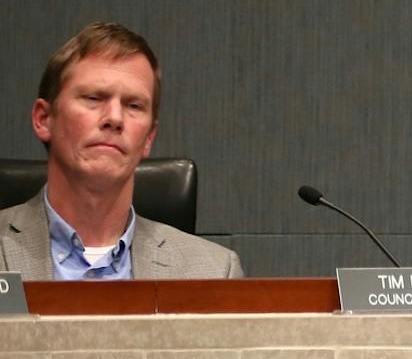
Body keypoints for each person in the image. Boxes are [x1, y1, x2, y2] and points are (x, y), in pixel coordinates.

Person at [0, 22, 242, 280]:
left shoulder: (214, 272)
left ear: (149, 137)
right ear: (44, 119)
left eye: (134, 105)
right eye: (93, 98)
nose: (115, 118)